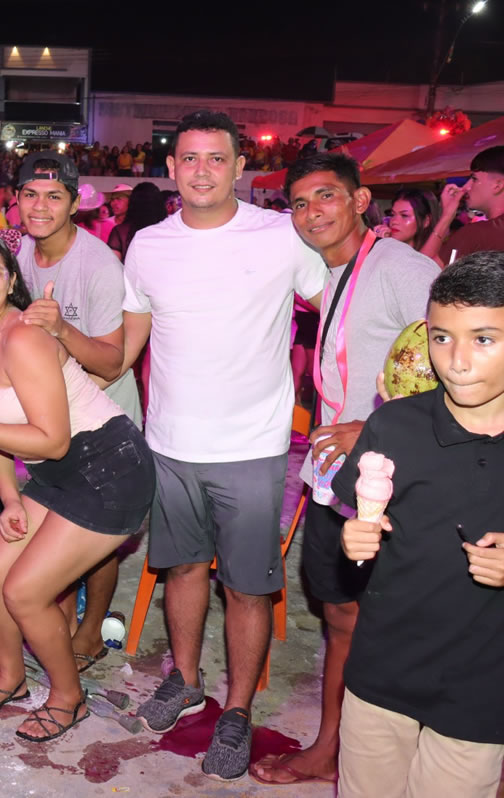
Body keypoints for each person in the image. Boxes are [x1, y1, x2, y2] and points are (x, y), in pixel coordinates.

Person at [122, 110, 327, 781]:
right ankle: (184, 680)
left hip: (251, 447)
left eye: (217, 158)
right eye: (189, 158)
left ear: (240, 166)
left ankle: (236, 710)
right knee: (181, 570)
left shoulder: (280, 235)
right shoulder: (148, 244)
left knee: (245, 586)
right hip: (171, 443)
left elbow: (337, 304)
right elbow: (126, 346)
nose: (202, 171)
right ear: (171, 168)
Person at [249, 153, 438, 787]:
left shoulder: (402, 268)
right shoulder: (332, 274)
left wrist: (375, 426)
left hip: (399, 479)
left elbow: (467, 360)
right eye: (300, 203)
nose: (312, 213)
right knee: (340, 617)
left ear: (360, 201)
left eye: (326, 196)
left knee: (400, 623)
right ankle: (332, 744)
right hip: (336, 478)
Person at [0, 233, 154, 743]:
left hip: (109, 468)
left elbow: (51, 440)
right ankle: (11, 677)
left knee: (25, 592)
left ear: (12, 282)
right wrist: (9, 498)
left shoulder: (23, 337)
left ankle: (68, 698)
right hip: (58, 474)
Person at [334, 251, 504, 798]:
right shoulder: (394, 425)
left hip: (482, 687)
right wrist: (354, 537)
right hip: (383, 668)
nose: (457, 361)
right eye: (441, 337)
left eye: (483, 339)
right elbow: (362, 521)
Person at [12, 151, 144, 671]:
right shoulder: (21, 253)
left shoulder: (98, 265)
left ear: (73, 204)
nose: (40, 206)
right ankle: (64, 625)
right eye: (30, 194)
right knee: (58, 531)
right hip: (52, 418)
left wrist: (60, 329)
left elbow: (112, 360)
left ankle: (90, 632)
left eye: (54, 196)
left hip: (105, 422)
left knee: (97, 536)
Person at [422, 146, 504, 266]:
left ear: (497, 185)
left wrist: (446, 217)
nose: (466, 187)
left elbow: (421, 271)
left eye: (474, 179)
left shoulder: (474, 234)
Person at [107, 182, 166, 262]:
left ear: (131, 202)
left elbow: (112, 265)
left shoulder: (121, 232)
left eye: (119, 199)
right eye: (112, 200)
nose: (113, 203)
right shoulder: (168, 229)